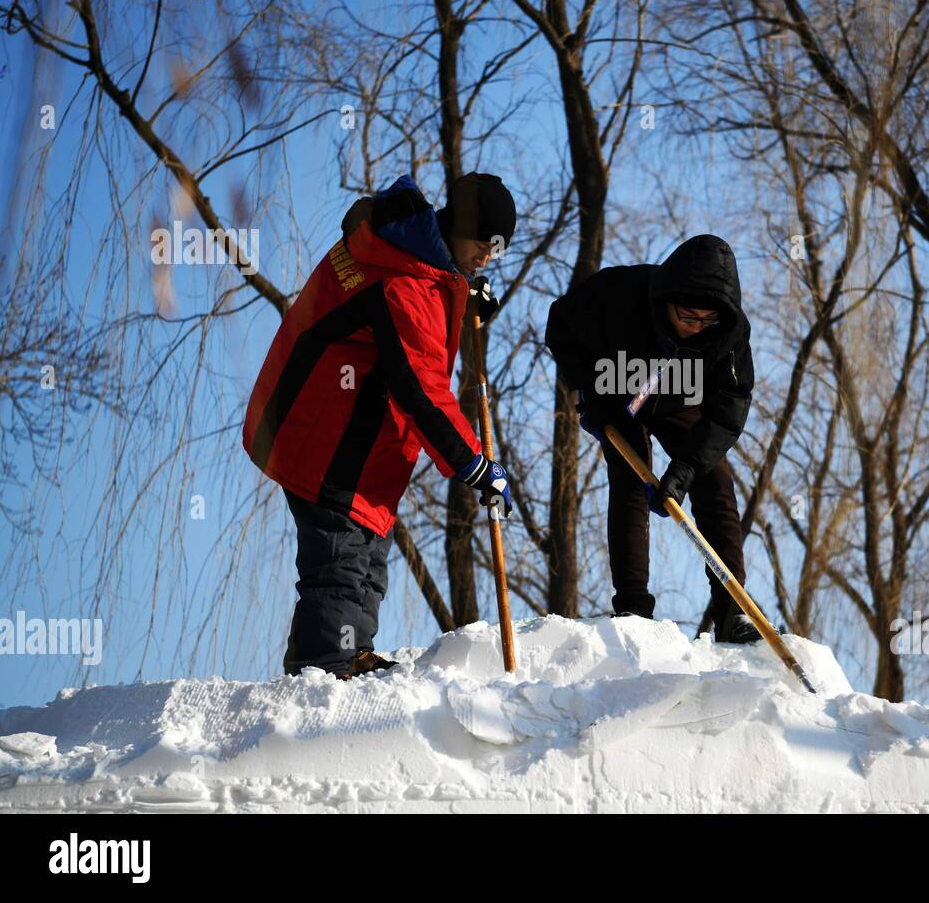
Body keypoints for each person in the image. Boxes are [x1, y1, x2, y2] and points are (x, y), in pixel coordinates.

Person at [243, 172, 515, 679]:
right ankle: (326, 670)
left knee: (367, 559)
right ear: (457, 228)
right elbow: (421, 387)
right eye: (483, 246)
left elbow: (424, 312)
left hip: (350, 440)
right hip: (324, 436)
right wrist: (474, 464)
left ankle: (346, 659)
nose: (487, 259)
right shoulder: (402, 280)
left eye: (495, 252)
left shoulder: (408, 252)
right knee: (341, 563)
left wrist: (463, 293)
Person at [545, 235, 760, 643]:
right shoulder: (618, 293)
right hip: (620, 387)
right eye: (687, 317)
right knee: (629, 475)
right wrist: (590, 389)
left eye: (706, 321)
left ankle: (732, 610)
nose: (696, 328)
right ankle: (633, 608)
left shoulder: (730, 332)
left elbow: (730, 406)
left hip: (680, 395)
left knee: (714, 481)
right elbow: (560, 326)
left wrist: (687, 466)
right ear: (667, 300)